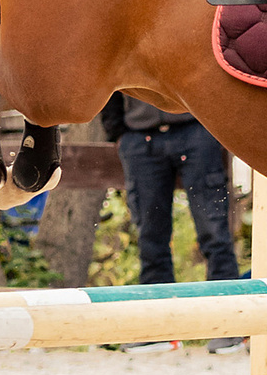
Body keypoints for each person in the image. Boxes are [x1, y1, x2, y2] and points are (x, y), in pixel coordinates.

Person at [102, 92, 241, 287]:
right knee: (150, 235)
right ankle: (157, 306)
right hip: (141, 136)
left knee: (214, 228)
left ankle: (227, 298)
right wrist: (118, 133)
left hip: (195, 129)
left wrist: (213, 125)